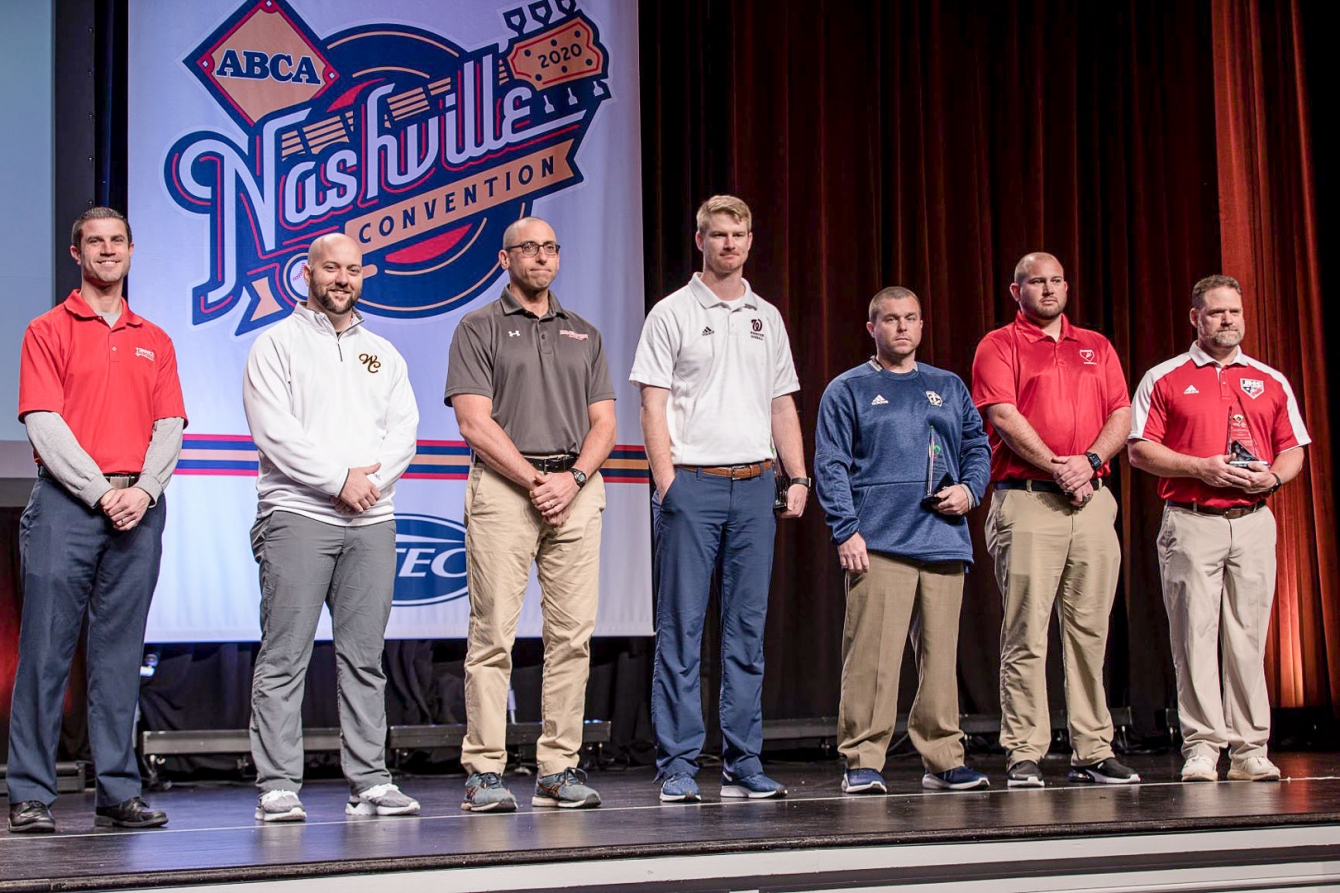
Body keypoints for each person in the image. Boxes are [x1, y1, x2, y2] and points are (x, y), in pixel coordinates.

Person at [7, 207, 184, 833]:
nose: (107, 251)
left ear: (132, 251)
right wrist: (99, 492)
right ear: (75, 254)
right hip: (66, 505)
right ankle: (30, 791)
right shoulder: (47, 329)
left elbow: (169, 426)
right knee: (45, 652)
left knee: (118, 655)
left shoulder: (155, 338)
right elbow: (43, 423)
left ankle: (118, 790)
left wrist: (145, 491)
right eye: (94, 242)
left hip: (139, 508)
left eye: (117, 241)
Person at [631, 195, 809, 803]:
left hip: (757, 484)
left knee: (746, 631)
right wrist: (666, 483)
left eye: (739, 234)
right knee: (681, 631)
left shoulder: (768, 316)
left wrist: (799, 476)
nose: (729, 243)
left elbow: (781, 402)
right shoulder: (671, 313)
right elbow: (652, 403)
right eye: (718, 234)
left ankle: (743, 761)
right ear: (699, 240)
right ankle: (679, 764)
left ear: (751, 240)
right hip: (693, 485)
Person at [243, 232, 420, 822]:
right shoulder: (276, 345)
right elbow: (275, 433)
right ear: (307, 273)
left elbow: (404, 432)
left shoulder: (384, 353)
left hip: (373, 520)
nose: (342, 279)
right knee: (284, 655)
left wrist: (367, 485)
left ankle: (370, 779)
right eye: (330, 269)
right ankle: (278, 784)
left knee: (365, 658)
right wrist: (338, 479)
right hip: (295, 515)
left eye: (352, 270)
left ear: (362, 275)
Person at [445, 217, 615, 812]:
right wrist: (535, 480)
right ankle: (485, 772)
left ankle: (558, 768)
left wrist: (569, 480)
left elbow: (605, 424)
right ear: (504, 259)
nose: (540, 258)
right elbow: (473, 422)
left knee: (572, 637)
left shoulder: (585, 333)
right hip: (505, 490)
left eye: (549, 248)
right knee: (492, 635)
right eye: (528, 249)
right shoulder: (477, 326)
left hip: (575, 487)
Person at [1128, 275, 1307, 783]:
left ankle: (1251, 748)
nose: (1226, 321)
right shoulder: (1164, 377)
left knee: (1248, 638)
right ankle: (1202, 746)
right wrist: (1198, 467)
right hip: (1191, 521)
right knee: (1193, 637)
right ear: (1195, 318)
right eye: (1215, 313)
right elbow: (1140, 450)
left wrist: (1272, 475)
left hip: (1251, 522)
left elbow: (1293, 448)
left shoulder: (1270, 380)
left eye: (1233, 312)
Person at [971, 252, 1140, 787]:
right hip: (1027, 500)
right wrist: (1060, 467)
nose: (1048, 289)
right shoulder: (998, 345)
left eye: (1056, 280)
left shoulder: (1097, 345)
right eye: (1036, 282)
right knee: (1026, 632)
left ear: (1067, 286)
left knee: (1090, 631)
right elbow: (1002, 414)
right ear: (1015, 290)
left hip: (1092, 502)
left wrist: (1088, 463)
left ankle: (1093, 748)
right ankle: (1024, 750)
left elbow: (1121, 413)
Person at [815, 287, 992, 795]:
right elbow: (830, 464)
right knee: (872, 659)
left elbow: (977, 445)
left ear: (921, 324)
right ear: (872, 327)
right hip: (879, 542)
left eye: (910, 318)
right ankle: (863, 761)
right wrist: (846, 529)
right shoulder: (847, 388)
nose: (901, 328)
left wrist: (969, 489)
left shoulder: (948, 385)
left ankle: (943, 759)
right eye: (890, 319)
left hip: (943, 539)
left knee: (940, 659)